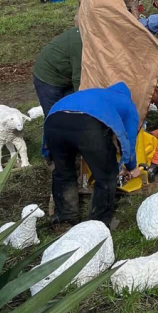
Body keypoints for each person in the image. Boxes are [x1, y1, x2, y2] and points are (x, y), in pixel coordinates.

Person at [44, 82, 139, 227]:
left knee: (63, 173)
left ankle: (65, 219)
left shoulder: (96, 94)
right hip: (87, 124)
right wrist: (131, 166)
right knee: (106, 175)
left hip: (53, 121)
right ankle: (97, 224)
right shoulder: (127, 103)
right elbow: (130, 140)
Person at [32, 28, 83, 162]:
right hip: (47, 79)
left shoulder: (89, 36)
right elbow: (79, 78)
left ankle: (73, 151)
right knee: (54, 117)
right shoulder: (80, 43)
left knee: (71, 114)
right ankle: (51, 156)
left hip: (66, 75)